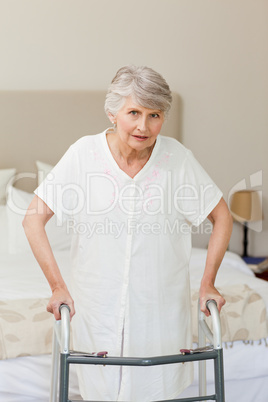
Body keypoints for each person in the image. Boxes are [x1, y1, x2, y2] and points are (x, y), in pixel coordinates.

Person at [23, 65, 233, 401]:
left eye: (155, 114)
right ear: (112, 112)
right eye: (133, 112)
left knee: (158, 390)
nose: (143, 126)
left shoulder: (177, 159)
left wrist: (208, 281)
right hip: (97, 306)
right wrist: (57, 286)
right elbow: (32, 220)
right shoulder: (83, 154)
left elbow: (222, 217)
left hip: (160, 310)